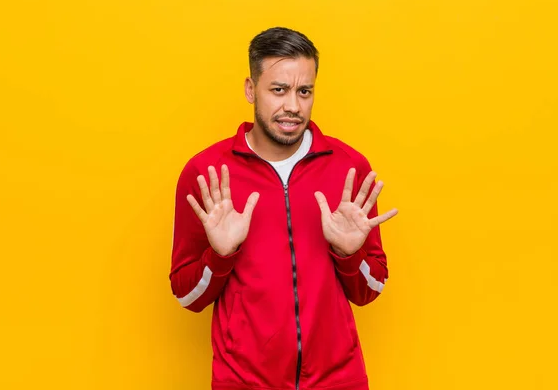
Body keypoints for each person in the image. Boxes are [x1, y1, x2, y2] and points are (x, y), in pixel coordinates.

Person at [169, 26, 399, 390]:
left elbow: (369, 290)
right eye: (279, 90)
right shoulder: (207, 174)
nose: (293, 105)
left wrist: (349, 254)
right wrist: (219, 255)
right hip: (243, 382)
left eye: (304, 91)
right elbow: (186, 296)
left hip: (338, 381)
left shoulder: (349, 168)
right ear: (250, 89)